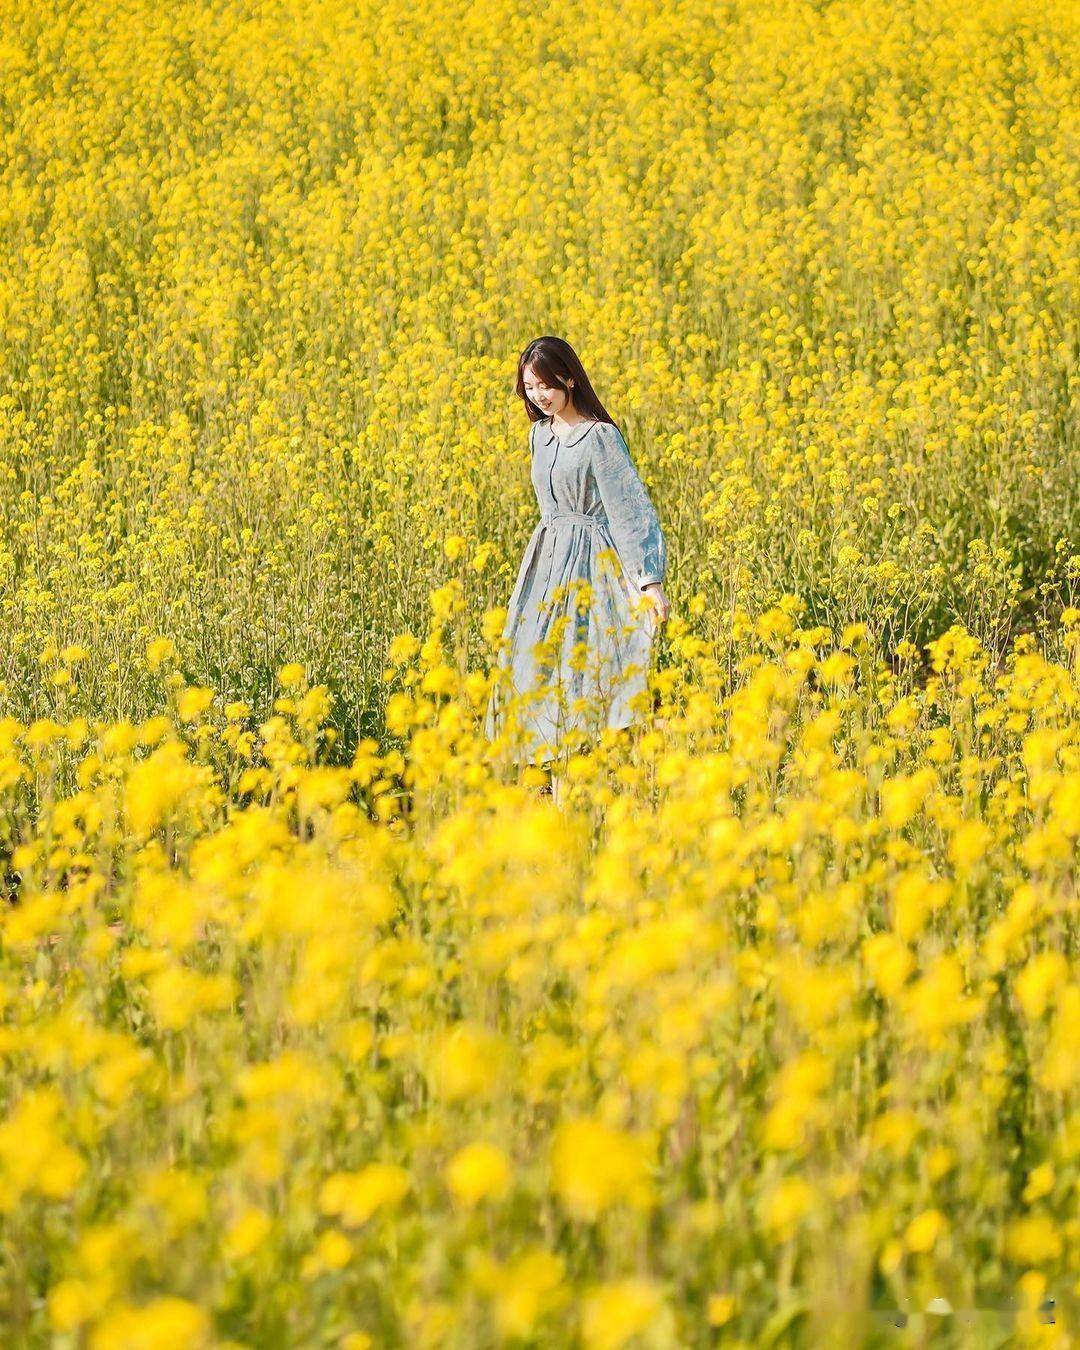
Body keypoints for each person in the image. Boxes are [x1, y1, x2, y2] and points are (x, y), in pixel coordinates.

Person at [483, 336, 670, 803]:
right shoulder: (539, 435)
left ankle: (590, 787)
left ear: (569, 377)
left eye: (545, 384)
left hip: (591, 563)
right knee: (535, 669)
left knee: (582, 668)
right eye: (528, 387)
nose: (538, 396)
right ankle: (552, 787)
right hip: (545, 562)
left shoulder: (599, 437)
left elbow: (628, 510)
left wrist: (649, 582)